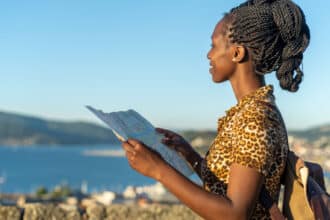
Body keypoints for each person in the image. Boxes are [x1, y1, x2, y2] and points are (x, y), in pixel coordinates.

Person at [121, 0, 310, 219]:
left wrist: (158, 170)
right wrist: (190, 155)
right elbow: (227, 187)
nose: (208, 55)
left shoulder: (256, 118)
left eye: (213, 45)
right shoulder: (249, 111)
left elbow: (235, 213)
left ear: (237, 53)